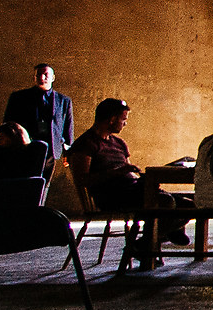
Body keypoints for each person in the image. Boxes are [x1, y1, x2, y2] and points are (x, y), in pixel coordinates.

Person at [68, 98, 190, 249]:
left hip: (133, 190)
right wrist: (118, 172)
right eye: (123, 119)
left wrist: (138, 176)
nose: (125, 123)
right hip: (111, 196)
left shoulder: (119, 143)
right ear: (112, 119)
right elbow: (82, 180)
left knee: (188, 205)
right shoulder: (86, 144)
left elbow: (128, 171)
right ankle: (154, 238)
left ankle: (153, 237)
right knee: (165, 202)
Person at [1, 63, 74, 172]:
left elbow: (68, 126)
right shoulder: (19, 98)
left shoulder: (64, 100)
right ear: (34, 77)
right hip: (25, 149)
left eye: (46, 74)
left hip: (51, 149)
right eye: (38, 75)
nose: (42, 77)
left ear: (53, 78)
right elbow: (8, 123)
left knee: (45, 180)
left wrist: (68, 152)